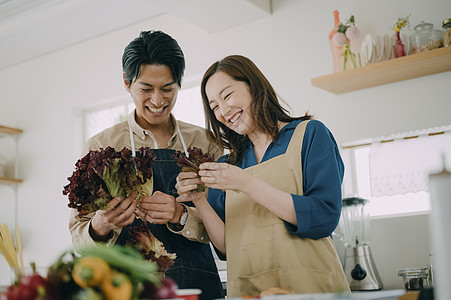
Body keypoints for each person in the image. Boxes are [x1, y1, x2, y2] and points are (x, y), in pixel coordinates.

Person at [176, 55, 351, 298]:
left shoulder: (310, 134)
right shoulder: (227, 165)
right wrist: (199, 200)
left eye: (227, 96)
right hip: (249, 291)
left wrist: (245, 183)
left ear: (253, 86)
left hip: (312, 288)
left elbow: (324, 216)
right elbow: (227, 246)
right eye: (214, 106)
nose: (223, 111)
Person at [68, 30, 224, 300]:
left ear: (179, 84)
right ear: (127, 84)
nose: (157, 101)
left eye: (167, 89)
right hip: (124, 287)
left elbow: (223, 226)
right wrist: (100, 225)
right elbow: (79, 235)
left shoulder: (206, 143)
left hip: (195, 282)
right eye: (146, 89)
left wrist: (181, 215)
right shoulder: (101, 145)